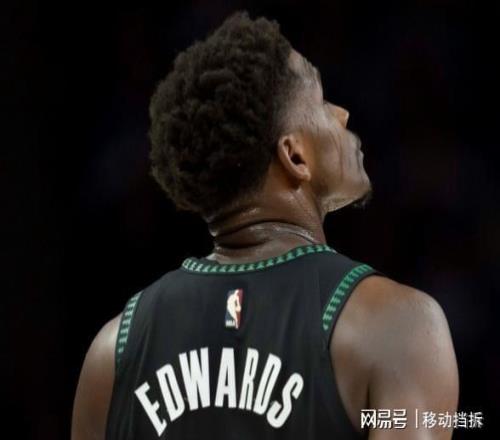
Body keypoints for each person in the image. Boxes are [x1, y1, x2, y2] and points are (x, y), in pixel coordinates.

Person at [72, 12, 459, 440]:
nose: (343, 114)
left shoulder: (113, 352)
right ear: (295, 156)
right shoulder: (398, 327)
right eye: (322, 102)